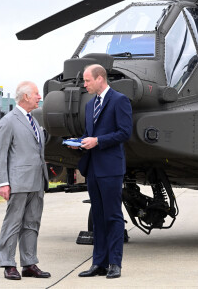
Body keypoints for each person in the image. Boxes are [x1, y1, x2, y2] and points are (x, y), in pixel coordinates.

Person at [75, 64, 133, 279]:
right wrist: (79, 142)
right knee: (97, 218)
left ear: (100, 78)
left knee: (113, 216)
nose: (84, 84)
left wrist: (98, 141)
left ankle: (115, 264)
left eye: (87, 80)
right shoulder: (90, 105)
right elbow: (89, 133)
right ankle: (98, 263)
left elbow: (125, 133)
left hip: (110, 169)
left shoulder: (119, 100)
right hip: (93, 169)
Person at [0, 81, 50, 280]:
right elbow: (0, 154)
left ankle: (29, 263)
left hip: (37, 181)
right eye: (36, 94)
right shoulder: (9, 120)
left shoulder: (34, 120)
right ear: (25, 96)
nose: (39, 97)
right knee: (13, 223)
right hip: (18, 182)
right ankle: (8, 263)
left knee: (32, 223)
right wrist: (3, 182)